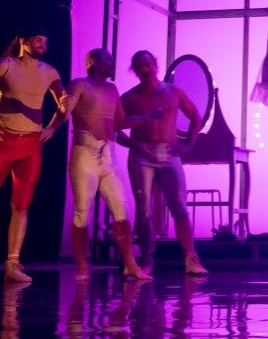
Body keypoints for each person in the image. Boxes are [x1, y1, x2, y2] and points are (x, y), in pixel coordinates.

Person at [65, 48, 155, 281]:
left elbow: (120, 123)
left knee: (121, 210)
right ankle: (82, 266)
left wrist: (147, 117)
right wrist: (59, 113)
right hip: (85, 154)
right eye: (107, 60)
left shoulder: (112, 89)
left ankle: (130, 264)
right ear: (93, 62)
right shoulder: (80, 84)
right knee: (82, 212)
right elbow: (66, 110)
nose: (112, 63)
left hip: (109, 156)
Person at [119, 50, 208, 276]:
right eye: (140, 66)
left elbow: (196, 117)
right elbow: (114, 128)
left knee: (179, 207)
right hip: (141, 154)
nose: (145, 69)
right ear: (135, 70)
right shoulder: (130, 98)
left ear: (156, 66)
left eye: (148, 64)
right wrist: (135, 146)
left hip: (169, 153)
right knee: (143, 209)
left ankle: (191, 258)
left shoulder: (173, 92)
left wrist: (188, 144)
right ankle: (147, 260)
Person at [0, 27, 71, 283]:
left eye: (45, 40)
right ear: (23, 41)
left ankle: (12, 263)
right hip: (4, 142)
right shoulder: (7, 65)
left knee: (21, 206)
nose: (43, 44)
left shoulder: (49, 72)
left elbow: (65, 104)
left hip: (31, 147)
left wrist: (52, 127)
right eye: (38, 39)